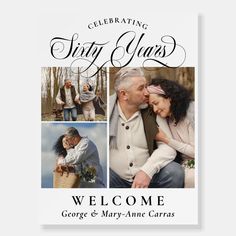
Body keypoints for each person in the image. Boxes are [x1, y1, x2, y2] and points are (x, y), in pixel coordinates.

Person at [109, 67, 184, 188]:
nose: (147, 92)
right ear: (124, 94)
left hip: (150, 177)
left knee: (175, 172)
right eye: (141, 88)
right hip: (115, 180)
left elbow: (168, 148)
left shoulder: (152, 111)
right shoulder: (108, 114)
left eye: (146, 86)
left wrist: (146, 172)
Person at [147, 77, 195, 188]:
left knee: (191, 178)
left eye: (156, 103)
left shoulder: (191, 113)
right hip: (182, 164)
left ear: (169, 98)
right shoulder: (167, 118)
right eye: (151, 106)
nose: (155, 109)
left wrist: (165, 139)